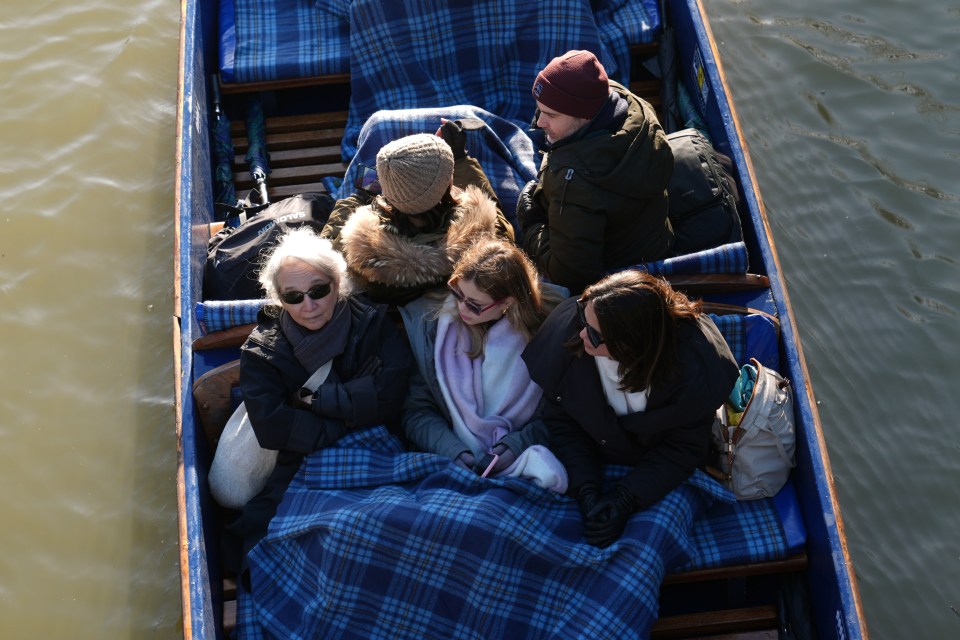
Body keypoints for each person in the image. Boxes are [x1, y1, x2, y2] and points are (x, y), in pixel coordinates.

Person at [225, 227, 412, 579]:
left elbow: (390, 395)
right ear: (279, 299)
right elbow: (273, 426)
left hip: (378, 451)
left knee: (399, 529)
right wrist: (349, 413)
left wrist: (315, 400)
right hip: (302, 463)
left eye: (318, 291)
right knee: (285, 550)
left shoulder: (371, 323)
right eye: (293, 297)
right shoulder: (261, 351)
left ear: (337, 284)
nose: (308, 306)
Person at [521, 270, 739, 547]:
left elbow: (682, 448)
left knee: (648, 545)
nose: (581, 336)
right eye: (582, 317)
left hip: (660, 471)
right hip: (587, 461)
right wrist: (586, 488)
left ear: (632, 346)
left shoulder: (694, 373)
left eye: (595, 336)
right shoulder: (570, 340)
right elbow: (563, 423)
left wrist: (627, 499)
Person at [399, 237, 568, 492]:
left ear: (508, 303)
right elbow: (417, 411)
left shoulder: (551, 331)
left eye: (475, 305)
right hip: (449, 455)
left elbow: (557, 415)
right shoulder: (433, 328)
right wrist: (454, 452)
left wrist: (513, 446)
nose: (461, 308)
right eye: (457, 292)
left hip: (516, 454)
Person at [517, 49, 676, 295]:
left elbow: (570, 274)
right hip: (654, 239)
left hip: (622, 274)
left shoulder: (576, 183)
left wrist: (531, 224)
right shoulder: (627, 103)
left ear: (583, 116)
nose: (540, 124)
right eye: (540, 110)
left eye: (550, 115)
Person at [321, 126, 515, 306]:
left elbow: (327, 248)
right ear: (448, 184)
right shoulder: (483, 244)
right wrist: (462, 159)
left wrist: (357, 199)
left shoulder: (360, 258)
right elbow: (497, 219)